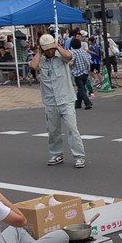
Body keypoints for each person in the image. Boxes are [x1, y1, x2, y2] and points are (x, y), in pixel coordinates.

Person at [29, 34, 87, 168]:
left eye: (51, 48)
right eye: (47, 49)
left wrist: (57, 47)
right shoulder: (41, 59)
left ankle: (79, 156)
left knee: (72, 129)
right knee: (53, 130)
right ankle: (56, 154)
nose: (50, 51)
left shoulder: (61, 56)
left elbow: (69, 56)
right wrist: (39, 51)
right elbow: (33, 66)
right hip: (50, 100)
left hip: (66, 99)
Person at [70, 38, 93, 110]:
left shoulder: (73, 53)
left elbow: (72, 63)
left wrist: (67, 64)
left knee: (81, 89)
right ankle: (78, 104)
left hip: (78, 73)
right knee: (81, 87)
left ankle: (88, 102)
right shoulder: (84, 52)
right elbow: (90, 61)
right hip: (86, 73)